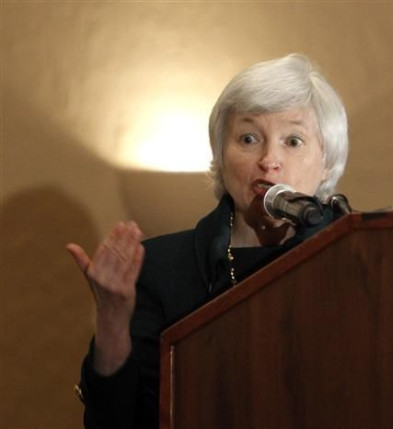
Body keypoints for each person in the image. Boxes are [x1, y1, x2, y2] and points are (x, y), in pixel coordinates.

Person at [66, 53, 349, 429]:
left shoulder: (357, 260)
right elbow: (113, 421)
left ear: (327, 162)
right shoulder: (160, 267)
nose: (269, 160)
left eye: (293, 141)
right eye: (249, 138)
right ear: (220, 155)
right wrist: (113, 319)